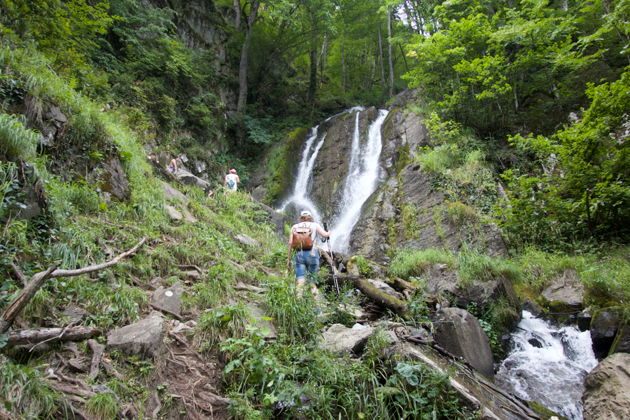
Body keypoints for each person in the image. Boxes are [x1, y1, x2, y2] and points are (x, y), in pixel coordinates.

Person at [287, 210, 330, 298]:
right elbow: (325, 235)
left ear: (301, 217)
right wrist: (328, 232)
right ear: (310, 217)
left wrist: (288, 259)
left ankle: (298, 304)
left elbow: (290, 243)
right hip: (312, 254)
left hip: (299, 254)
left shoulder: (294, 227)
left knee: (300, 282)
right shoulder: (314, 225)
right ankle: (318, 309)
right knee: (312, 283)